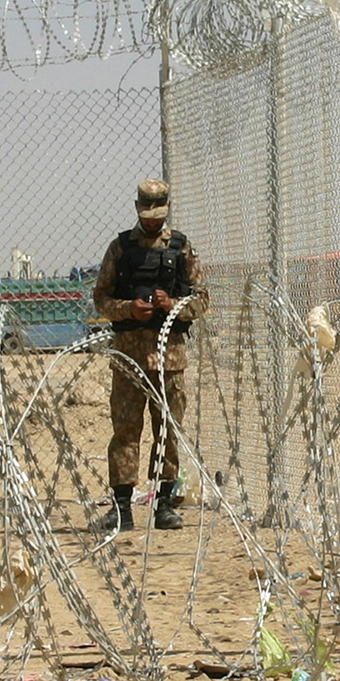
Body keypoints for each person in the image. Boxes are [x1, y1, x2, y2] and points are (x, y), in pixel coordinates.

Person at [90, 179, 209, 532]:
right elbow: (101, 298)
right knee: (126, 432)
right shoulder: (121, 249)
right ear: (138, 208)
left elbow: (203, 300)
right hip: (129, 358)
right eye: (147, 214)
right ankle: (123, 510)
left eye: (158, 215)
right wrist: (129, 309)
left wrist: (175, 305)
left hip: (169, 360)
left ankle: (163, 506)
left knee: (168, 432)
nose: (153, 222)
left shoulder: (181, 248)